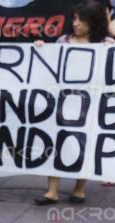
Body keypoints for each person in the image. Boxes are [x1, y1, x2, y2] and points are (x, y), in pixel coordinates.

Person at [32, 1, 113, 205]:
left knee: (85, 144)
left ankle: (79, 189)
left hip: (90, 103)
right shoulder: (63, 40)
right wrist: (42, 49)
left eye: (82, 19)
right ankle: (52, 191)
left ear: (93, 22)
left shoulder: (105, 43)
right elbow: (50, 66)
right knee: (57, 142)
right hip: (63, 102)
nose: (76, 23)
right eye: (75, 18)